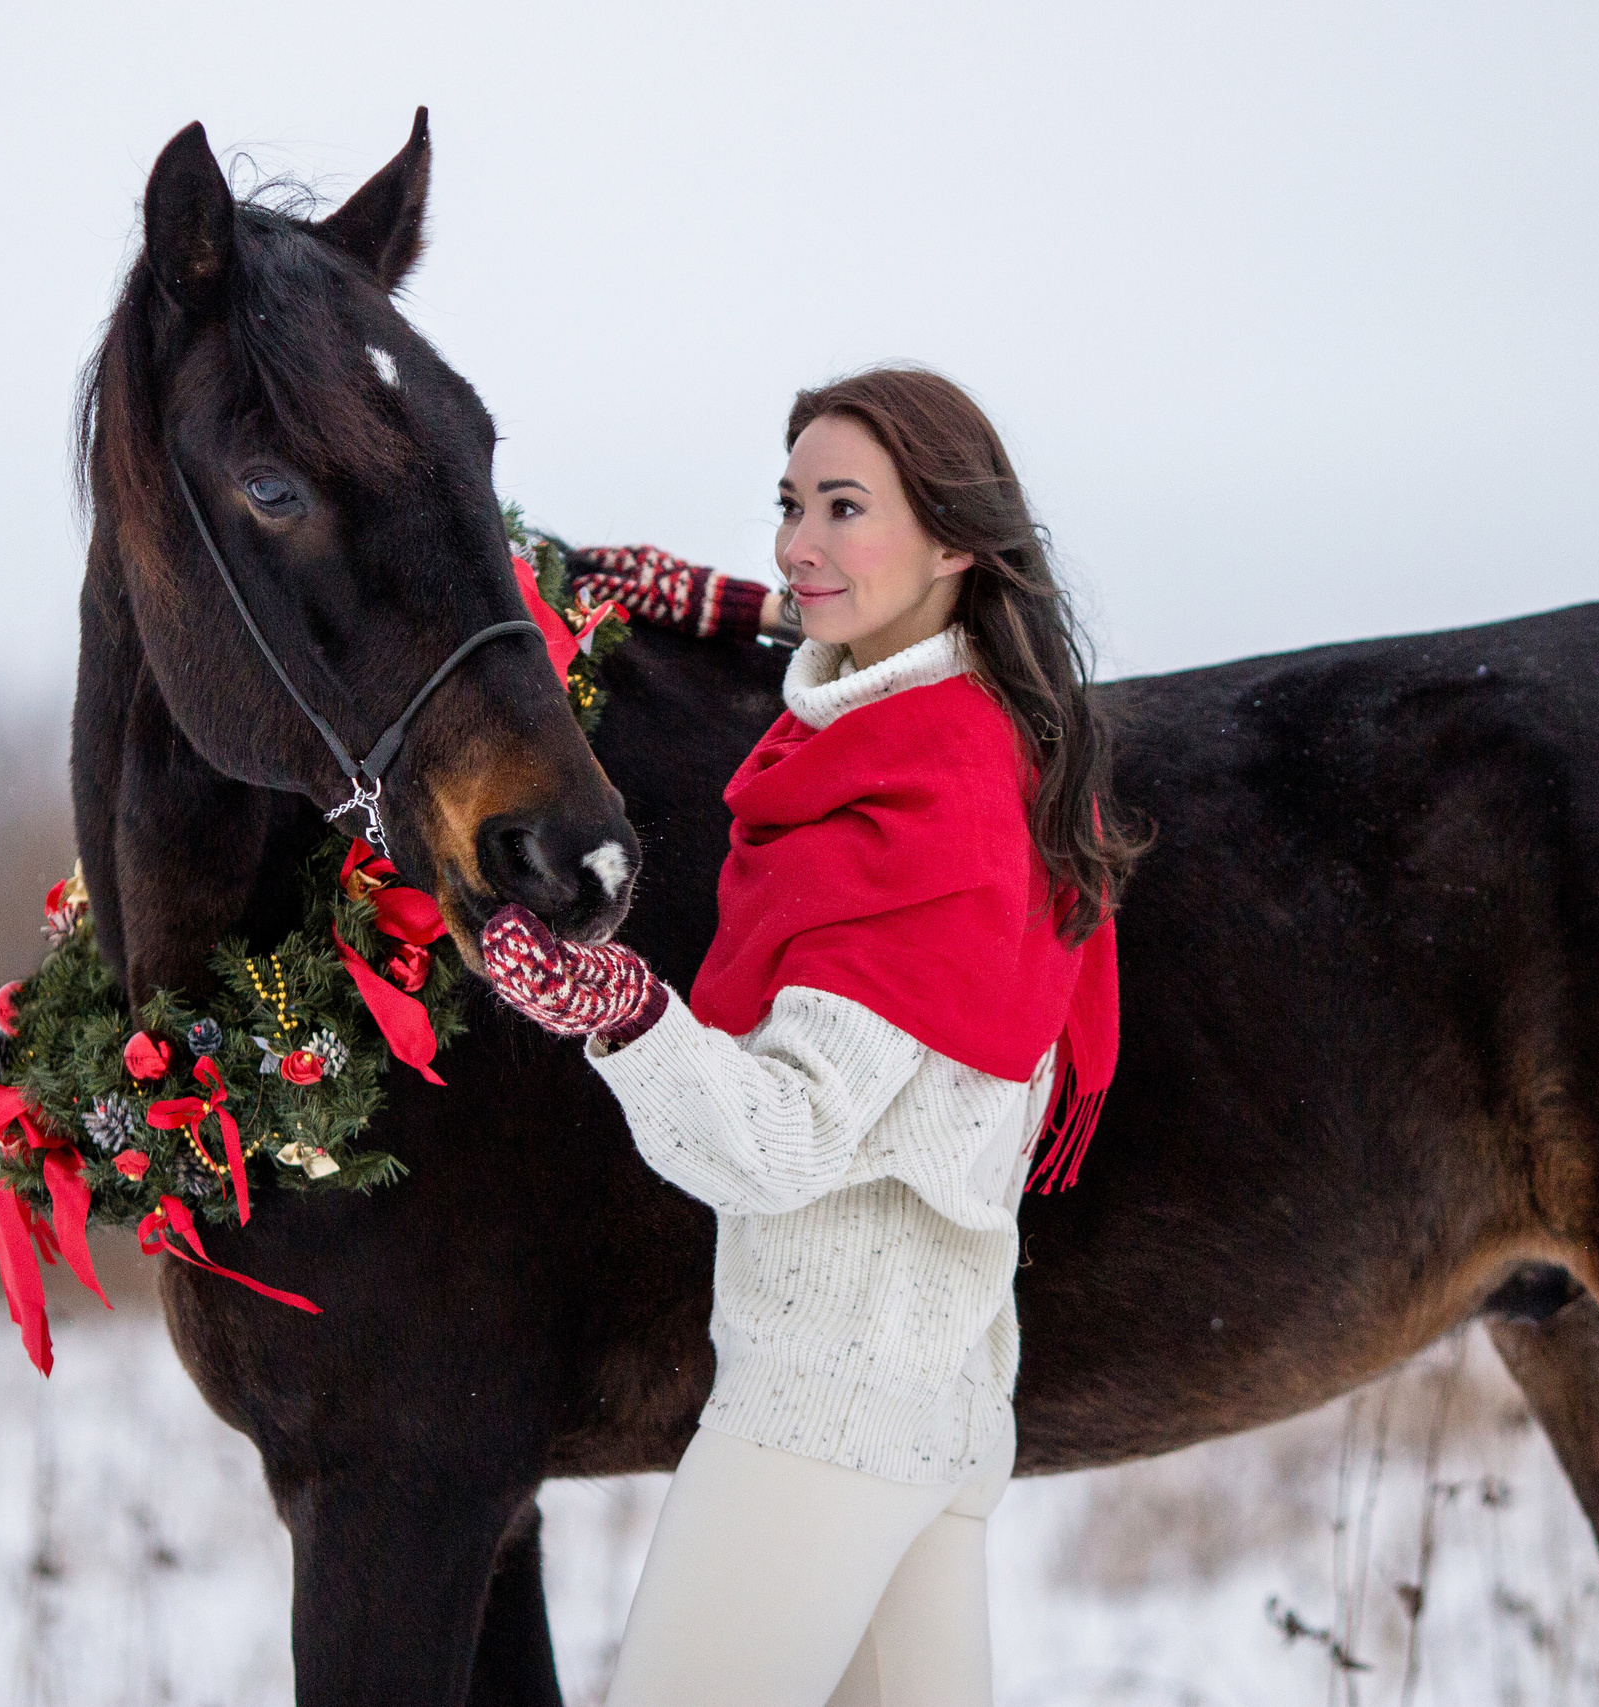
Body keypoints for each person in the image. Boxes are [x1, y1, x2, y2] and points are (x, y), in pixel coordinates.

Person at [479, 366, 1142, 1706]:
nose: (797, 542)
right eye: (789, 505)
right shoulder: (967, 739)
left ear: (955, 539)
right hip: (928, 1408)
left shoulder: (911, 809)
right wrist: (747, 611)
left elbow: (785, 1139)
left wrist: (626, 1016)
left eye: (846, 508)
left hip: (824, 1415)